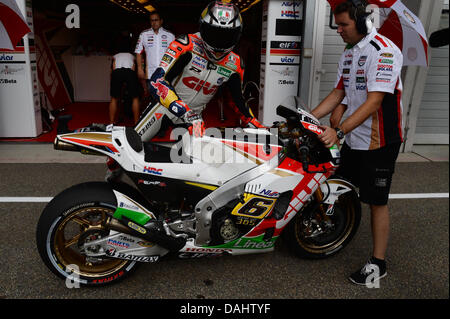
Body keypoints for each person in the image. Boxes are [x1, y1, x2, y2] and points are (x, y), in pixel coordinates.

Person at [311, 0, 404, 286]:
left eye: (343, 25)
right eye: (336, 25)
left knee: (376, 202)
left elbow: (375, 101)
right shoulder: (349, 52)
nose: (338, 30)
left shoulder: (384, 51)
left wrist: (338, 132)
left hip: (380, 142)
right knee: (337, 185)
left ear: (363, 23)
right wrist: (306, 119)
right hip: (354, 137)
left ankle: (378, 263)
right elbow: (338, 93)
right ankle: (330, 230)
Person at [134, 1, 264, 141]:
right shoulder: (185, 44)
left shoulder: (236, 63)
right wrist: (185, 112)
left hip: (195, 118)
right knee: (132, 144)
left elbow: (236, 99)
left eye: (227, 36)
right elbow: (157, 81)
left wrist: (252, 121)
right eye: (214, 33)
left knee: (192, 160)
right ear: (203, 27)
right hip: (165, 108)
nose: (219, 42)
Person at [135, 11, 175, 96]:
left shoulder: (170, 35)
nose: (154, 22)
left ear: (161, 21)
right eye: (152, 20)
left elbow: (175, 54)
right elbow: (138, 52)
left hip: (166, 72)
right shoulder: (144, 34)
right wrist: (139, 68)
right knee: (152, 97)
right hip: (150, 73)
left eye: (156, 20)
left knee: (166, 98)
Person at [109, 44, 140, 125]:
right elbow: (133, 68)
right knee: (135, 98)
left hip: (117, 72)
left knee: (114, 98)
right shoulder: (132, 56)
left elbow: (113, 68)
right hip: (130, 71)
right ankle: (136, 122)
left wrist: (112, 81)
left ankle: (111, 122)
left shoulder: (115, 56)